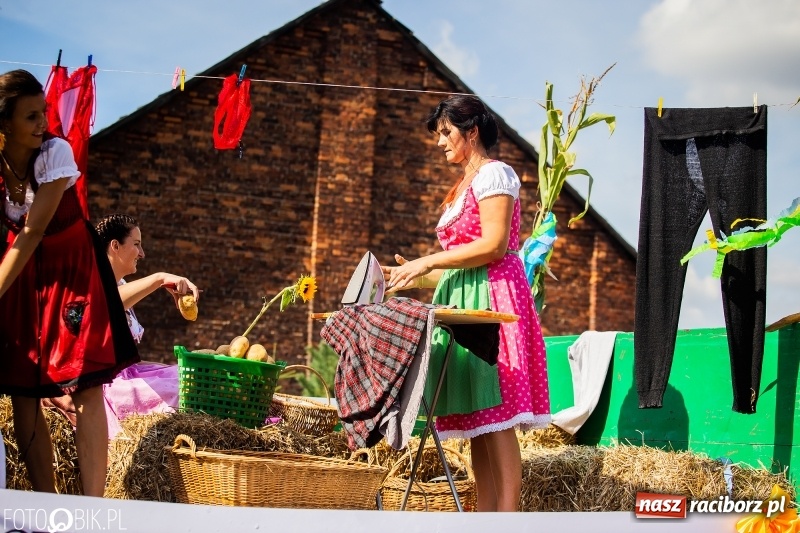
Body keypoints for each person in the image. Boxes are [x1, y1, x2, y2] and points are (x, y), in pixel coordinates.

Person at [384, 94, 551, 511]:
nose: (440, 142)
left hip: (494, 299)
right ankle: (484, 515)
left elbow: (493, 246)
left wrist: (428, 259)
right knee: (480, 419)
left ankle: (508, 516)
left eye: (446, 133)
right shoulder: (462, 187)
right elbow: (460, 269)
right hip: (467, 300)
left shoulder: (496, 174)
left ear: (471, 132)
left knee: (497, 413)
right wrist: (415, 275)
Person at [0, 69, 139, 496]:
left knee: (83, 383)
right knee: (24, 391)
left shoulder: (54, 153)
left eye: (43, 111)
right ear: (2, 125)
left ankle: (92, 509)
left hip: (70, 272)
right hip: (22, 276)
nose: (43, 122)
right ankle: (46, 504)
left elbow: (33, 231)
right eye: (30, 116)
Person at [47, 213, 200, 438]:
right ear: (115, 246)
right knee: (180, 392)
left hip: (126, 374)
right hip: (104, 385)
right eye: (137, 245)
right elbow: (108, 303)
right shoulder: (91, 281)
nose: (142, 253)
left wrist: (167, 368)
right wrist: (159, 279)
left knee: (188, 377)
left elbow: (125, 358)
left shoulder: (121, 285)